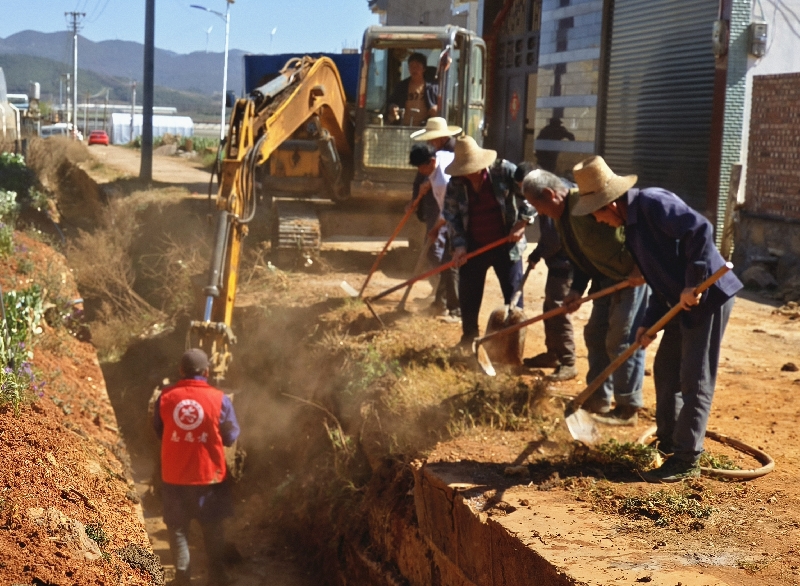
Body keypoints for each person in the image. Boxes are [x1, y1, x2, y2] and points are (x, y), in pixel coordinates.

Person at [570, 156, 743, 482]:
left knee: (695, 377)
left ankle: (687, 458)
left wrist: (694, 282)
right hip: (680, 300)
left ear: (611, 204)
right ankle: (669, 442)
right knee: (665, 370)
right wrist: (648, 323)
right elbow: (659, 280)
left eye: (596, 212)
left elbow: (701, 229)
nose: (597, 220)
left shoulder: (652, 203)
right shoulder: (632, 228)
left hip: (708, 295)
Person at [521, 168, 649, 424]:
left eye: (538, 205)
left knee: (622, 339)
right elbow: (580, 257)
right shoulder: (560, 216)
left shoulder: (589, 202)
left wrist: (641, 266)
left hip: (631, 278)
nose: (539, 213)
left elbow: (636, 227)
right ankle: (598, 398)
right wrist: (577, 289)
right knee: (595, 334)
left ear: (549, 194)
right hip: (603, 279)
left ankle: (628, 407)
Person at [154, 348, 240, 586]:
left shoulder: (166, 397)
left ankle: (182, 579)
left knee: (178, 529)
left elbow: (160, 430)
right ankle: (218, 577)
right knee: (213, 528)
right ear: (207, 371)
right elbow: (231, 435)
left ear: (181, 371)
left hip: (174, 476)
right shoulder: (219, 398)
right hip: (209, 477)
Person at [443, 136, 536, 347]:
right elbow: (451, 216)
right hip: (474, 244)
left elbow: (531, 193)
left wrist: (522, 223)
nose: (468, 173)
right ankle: (469, 338)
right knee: (468, 294)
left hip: (506, 245)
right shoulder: (456, 183)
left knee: (513, 296)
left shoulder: (503, 171)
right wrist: (458, 245)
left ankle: (512, 343)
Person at [513, 162, 577, 381]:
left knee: (559, 309)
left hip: (566, 263)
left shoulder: (554, 197)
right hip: (559, 262)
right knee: (550, 306)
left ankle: (567, 361)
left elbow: (553, 238)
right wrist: (537, 253)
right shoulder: (554, 191)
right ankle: (553, 354)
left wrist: (539, 252)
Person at [409, 143, 459, 320]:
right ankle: (440, 304)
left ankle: (456, 310)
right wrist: (426, 183)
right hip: (454, 214)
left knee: (451, 264)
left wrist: (436, 229)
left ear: (431, 161)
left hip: (460, 219)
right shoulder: (441, 156)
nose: (420, 171)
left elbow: (447, 212)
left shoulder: (442, 181)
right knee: (447, 262)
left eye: (422, 167)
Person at [387, 52, 438, 126]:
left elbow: (441, 104)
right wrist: (392, 107)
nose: (414, 69)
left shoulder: (433, 87)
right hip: (404, 127)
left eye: (417, 66)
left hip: (424, 128)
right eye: (411, 66)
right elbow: (391, 102)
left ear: (424, 69)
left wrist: (437, 108)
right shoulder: (401, 86)